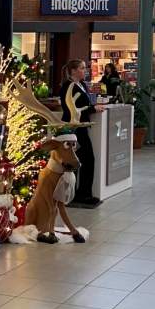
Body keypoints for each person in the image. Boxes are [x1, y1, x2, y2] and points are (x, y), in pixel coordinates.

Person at [59, 59, 104, 207]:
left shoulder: (82, 85)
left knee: (86, 160)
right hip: (74, 127)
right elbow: (70, 108)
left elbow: (85, 104)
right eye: (82, 68)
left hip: (83, 126)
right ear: (73, 71)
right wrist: (92, 109)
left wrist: (92, 107)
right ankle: (80, 195)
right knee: (85, 159)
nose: (85, 70)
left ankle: (84, 193)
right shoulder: (67, 86)